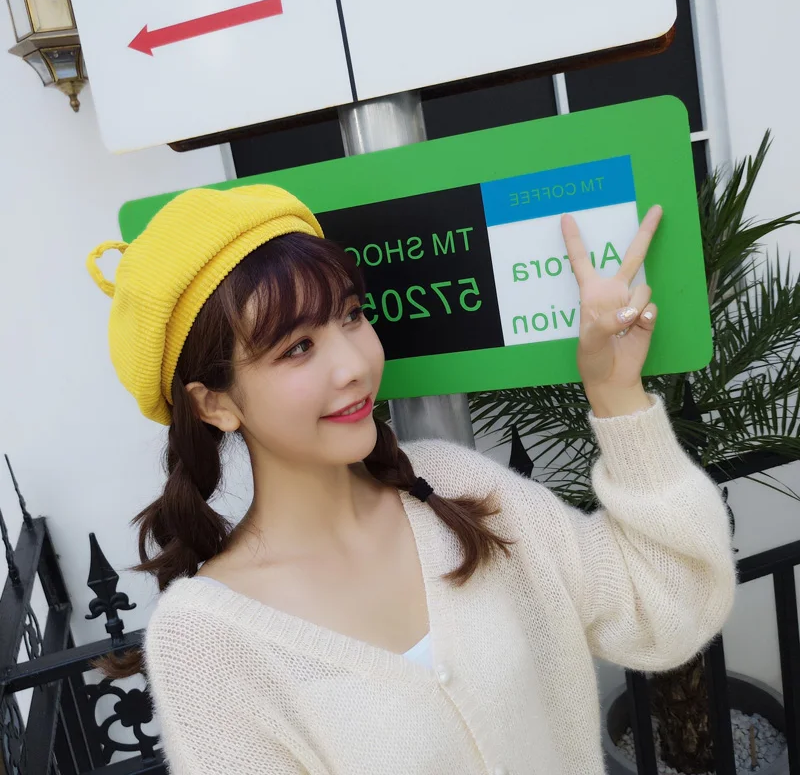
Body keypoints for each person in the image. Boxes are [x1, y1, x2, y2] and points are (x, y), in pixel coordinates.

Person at [86, 184, 736, 775]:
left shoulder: (454, 486)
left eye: (350, 316)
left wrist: (616, 392)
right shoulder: (206, 644)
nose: (353, 364)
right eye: (297, 348)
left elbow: (668, 608)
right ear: (213, 403)